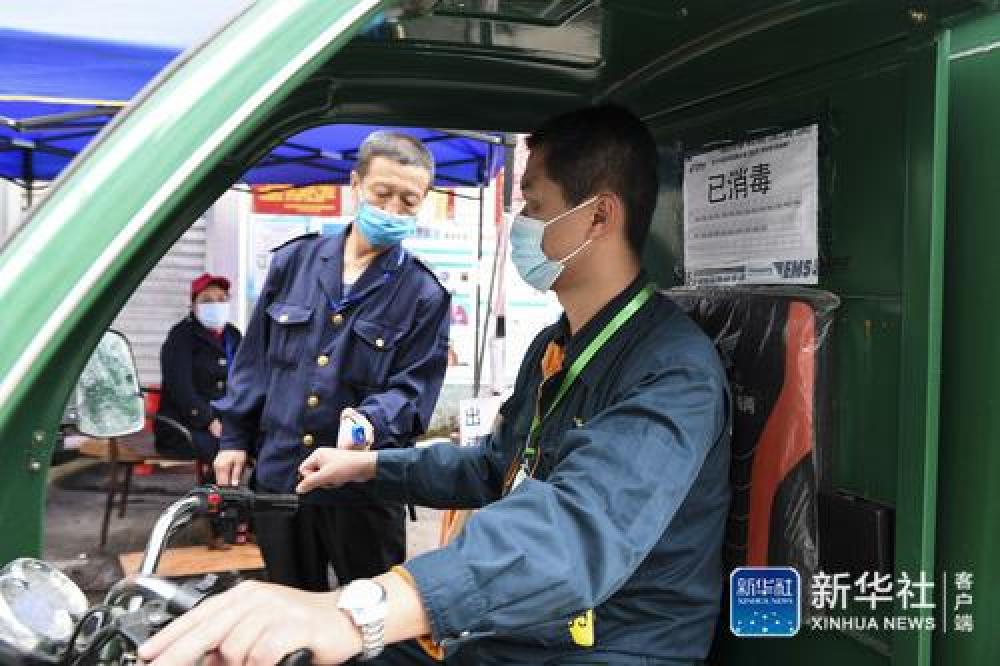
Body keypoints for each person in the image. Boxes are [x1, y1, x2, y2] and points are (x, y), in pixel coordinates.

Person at [141, 105, 731, 666]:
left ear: (598, 218)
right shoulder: (556, 346)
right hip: (525, 632)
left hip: (604, 647)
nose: (520, 226)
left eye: (533, 205)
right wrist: (369, 467)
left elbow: (577, 529)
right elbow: (495, 467)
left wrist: (358, 610)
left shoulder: (671, 370)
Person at [210, 131, 452, 591]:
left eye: (408, 201)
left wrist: (370, 420)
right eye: (382, 194)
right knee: (286, 601)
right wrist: (235, 437)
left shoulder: (424, 294)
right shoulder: (293, 263)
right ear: (356, 184)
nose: (393, 210)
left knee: (370, 611)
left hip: (363, 489)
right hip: (283, 476)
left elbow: (414, 389)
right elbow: (254, 360)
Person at [154, 273, 242, 549]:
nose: (215, 305)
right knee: (221, 451)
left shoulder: (233, 336)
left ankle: (249, 518)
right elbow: (180, 389)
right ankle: (218, 525)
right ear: (193, 304)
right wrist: (208, 420)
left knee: (259, 445)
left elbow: (245, 381)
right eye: (207, 300)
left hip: (225, 422)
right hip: (183, 425)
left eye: (221, 299)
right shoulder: (181, 337)